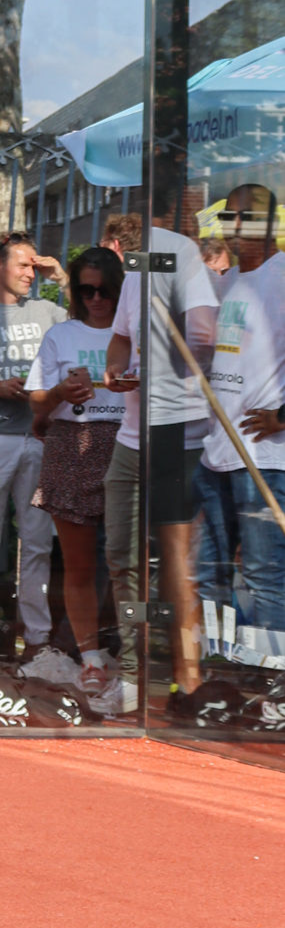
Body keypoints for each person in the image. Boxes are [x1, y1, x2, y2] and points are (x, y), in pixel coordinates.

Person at [100, 218, 219, 715]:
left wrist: (170, 359)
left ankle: (186, 677)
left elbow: (206, 335)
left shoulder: (180, 252)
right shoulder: (134, 272)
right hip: (133, 433)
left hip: (178, 426)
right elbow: (121, 339)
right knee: (122, 553)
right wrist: (115, 367)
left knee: (175, 557)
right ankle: (133, 672)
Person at [25, 247, 126, 693]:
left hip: (126, 443)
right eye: (86, 290)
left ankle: (133, 653)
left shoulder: (134, 333)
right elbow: (37, 402)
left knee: (128, 563)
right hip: (73, 442)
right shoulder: (61, 335)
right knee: (80, 564)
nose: (96, 299)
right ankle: (89, 658)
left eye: (104, 290)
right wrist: (62, 392)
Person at [0, 231, 67, 668]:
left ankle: (38, 638)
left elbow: (96, 325)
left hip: (40, 439)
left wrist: (61, 276)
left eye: (34, 265)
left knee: (38, 543)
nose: (31, 272)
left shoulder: (48, 311)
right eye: (23, 265)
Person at [197, 186, 285, 662]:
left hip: (265, 458)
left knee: (265, 573)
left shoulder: (283, 277)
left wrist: (283, 417)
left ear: (270, 223)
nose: (233, 224)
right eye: (228, 215)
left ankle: (273, 675)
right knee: (206, 571)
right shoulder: (227, 282)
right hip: (217, 454)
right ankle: (219, 664)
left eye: (243, 216)